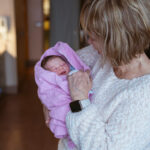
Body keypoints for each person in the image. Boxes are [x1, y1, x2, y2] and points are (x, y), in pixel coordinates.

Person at [53, 0, 150, 150]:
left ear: (115, 41)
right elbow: (55, 64)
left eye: (94, 38)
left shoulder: (144, 93)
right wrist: (48, 103)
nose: (89, 42)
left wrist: (79, 101)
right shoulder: (102, 55)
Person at [34, 41, 93, 149]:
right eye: (55, 69)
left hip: (78, 107)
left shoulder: (73, 73)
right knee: (67, 122)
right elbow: (48, 96)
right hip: (63, 107)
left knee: (76, 129)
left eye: (62, 64)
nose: (60, 68)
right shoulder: (51, 82)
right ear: (49, 74)